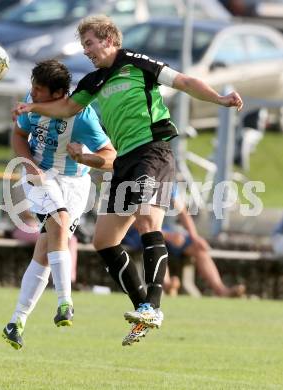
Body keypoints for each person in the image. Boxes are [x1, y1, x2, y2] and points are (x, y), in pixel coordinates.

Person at [12, 15, 243, 346]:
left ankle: (155, 306)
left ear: (108, 39)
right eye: (83, 46)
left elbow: (185, 82)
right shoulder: (93, 81)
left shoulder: (138, 63)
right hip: (124, 161)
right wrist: (30, 107)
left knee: (147, 217)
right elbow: (64, 109)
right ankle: (141, 310)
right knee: (104, 241)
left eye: (90, 43)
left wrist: (220, 100)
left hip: (153, 150)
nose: (87, 51)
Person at [2, 59, 116, 350]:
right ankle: (66, 302)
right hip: (41, 176)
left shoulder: (83, 118)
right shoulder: (32, 105)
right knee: (61, 223)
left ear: (58, 94)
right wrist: (28, 165)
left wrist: (86, 158)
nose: (32, 94)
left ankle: (16, 322)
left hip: (76, 183)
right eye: (32, 88)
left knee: (45, 248)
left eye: (38, 90)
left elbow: (111, 156)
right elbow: (18, 134)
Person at [161, 193, 246, 297]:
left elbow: (183, 213)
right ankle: (167, 285)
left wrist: (195, 237)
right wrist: (167, 235)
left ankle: (221, 290)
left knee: (199, 248)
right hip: (143, 232)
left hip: (169, 232)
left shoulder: (169, 183)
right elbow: (141, 221)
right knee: (157, 244)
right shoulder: (143, 182)